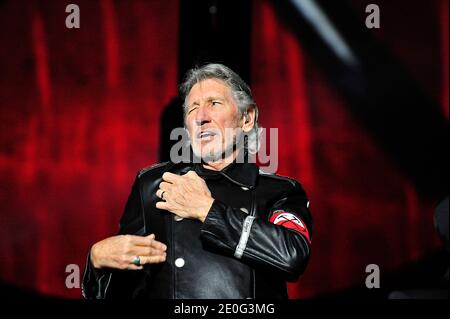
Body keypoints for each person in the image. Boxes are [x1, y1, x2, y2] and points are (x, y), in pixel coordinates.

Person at [82, 63, 313, 299]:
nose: (201, 117)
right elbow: (124, 292)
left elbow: (292, 256)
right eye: (192, 108)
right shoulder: (153, 184)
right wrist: (97, 263)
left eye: (214, 103)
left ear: (247, 118)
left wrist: (207, 210)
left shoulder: (280, 191)